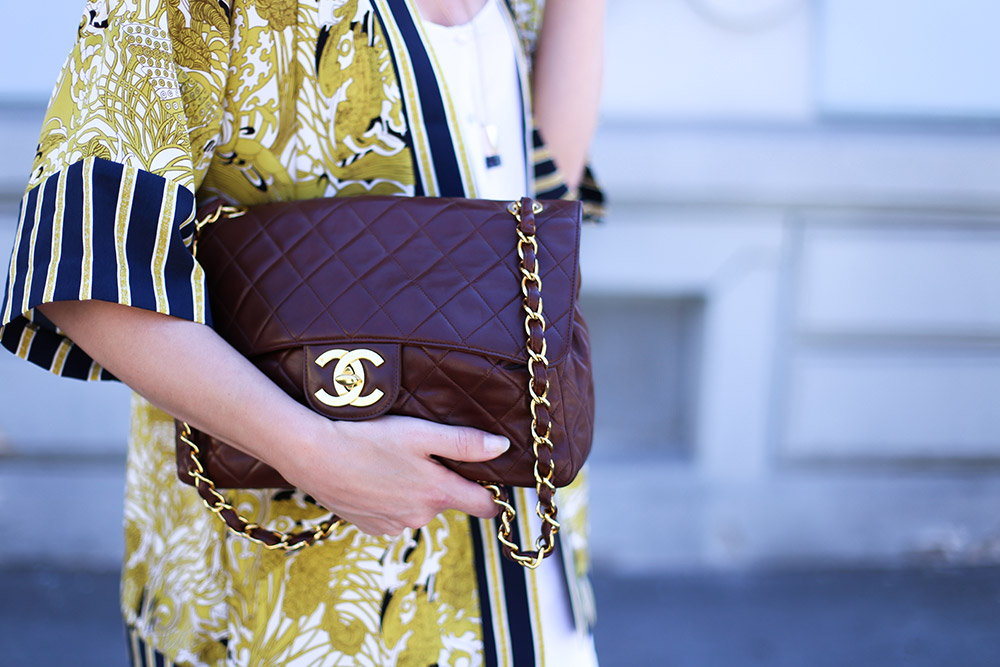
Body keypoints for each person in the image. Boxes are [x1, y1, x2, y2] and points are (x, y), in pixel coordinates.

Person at [1, 0, 604, 664]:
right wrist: (316, 453)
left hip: (528, 578)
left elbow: (540, 216)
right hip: (287, 608)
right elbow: (85, 270)